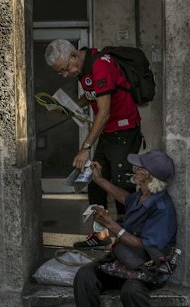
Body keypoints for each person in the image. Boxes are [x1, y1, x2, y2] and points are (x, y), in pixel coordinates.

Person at [72, 149, 182, 307]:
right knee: (85, 276)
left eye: (139, 168)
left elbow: (144, 245)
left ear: (149, 176)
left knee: (132, 291)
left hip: (146, 269)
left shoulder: (162, 208)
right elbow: (125, 198)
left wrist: (111, 224)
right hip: (123, 263)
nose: (134, 169)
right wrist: (100, 180)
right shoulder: (143, 195)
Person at [45, 39, 143, 249]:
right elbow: (91, 96)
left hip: (125, 131)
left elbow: (104, 111)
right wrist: (70, 106)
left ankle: (127, 237)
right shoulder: (82, 68)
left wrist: (85, 147)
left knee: (120, 185)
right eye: (59, 73)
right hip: (109, 133)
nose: (65, 75)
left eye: (64, 69)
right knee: (95, 181)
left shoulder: (100, 65)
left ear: (73, 57)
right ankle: (101, 236)